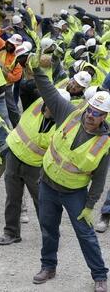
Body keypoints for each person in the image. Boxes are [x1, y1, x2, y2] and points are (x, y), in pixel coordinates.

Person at [31, 59, 110, 292]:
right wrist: (36, 68)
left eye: (97, 114)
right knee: (48, 228)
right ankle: (48, 267)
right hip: (47, 184)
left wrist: (90, 205)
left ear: (104, 117)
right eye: (90, 110)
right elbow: (49, 91)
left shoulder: (104, 143)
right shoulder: (69, 113)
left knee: (86, 235)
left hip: (74, 194)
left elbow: (100, 178)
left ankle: (99, 275)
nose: (91, 115)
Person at [0, 89, 70, 245]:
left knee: (42, 202)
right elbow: (31, 82)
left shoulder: (63, 127)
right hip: (14, 156)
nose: (49, 107)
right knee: (12, 198)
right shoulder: (35, 104)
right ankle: (11, 232)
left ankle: (50, 235)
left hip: (35, 167)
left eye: (55, 106)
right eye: (49, 103)